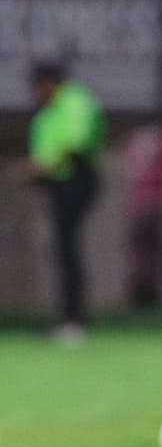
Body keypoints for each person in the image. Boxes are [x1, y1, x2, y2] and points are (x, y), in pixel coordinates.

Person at [26, 63, 106, 344]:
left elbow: (75, 144)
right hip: (59, 182)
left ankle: (74, 317)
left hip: (75, 177)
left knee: (67, 248)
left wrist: (41, 168)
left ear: (48, 82)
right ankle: (67, 315)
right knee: (62, 248)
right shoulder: (49, 110)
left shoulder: (74, 100)